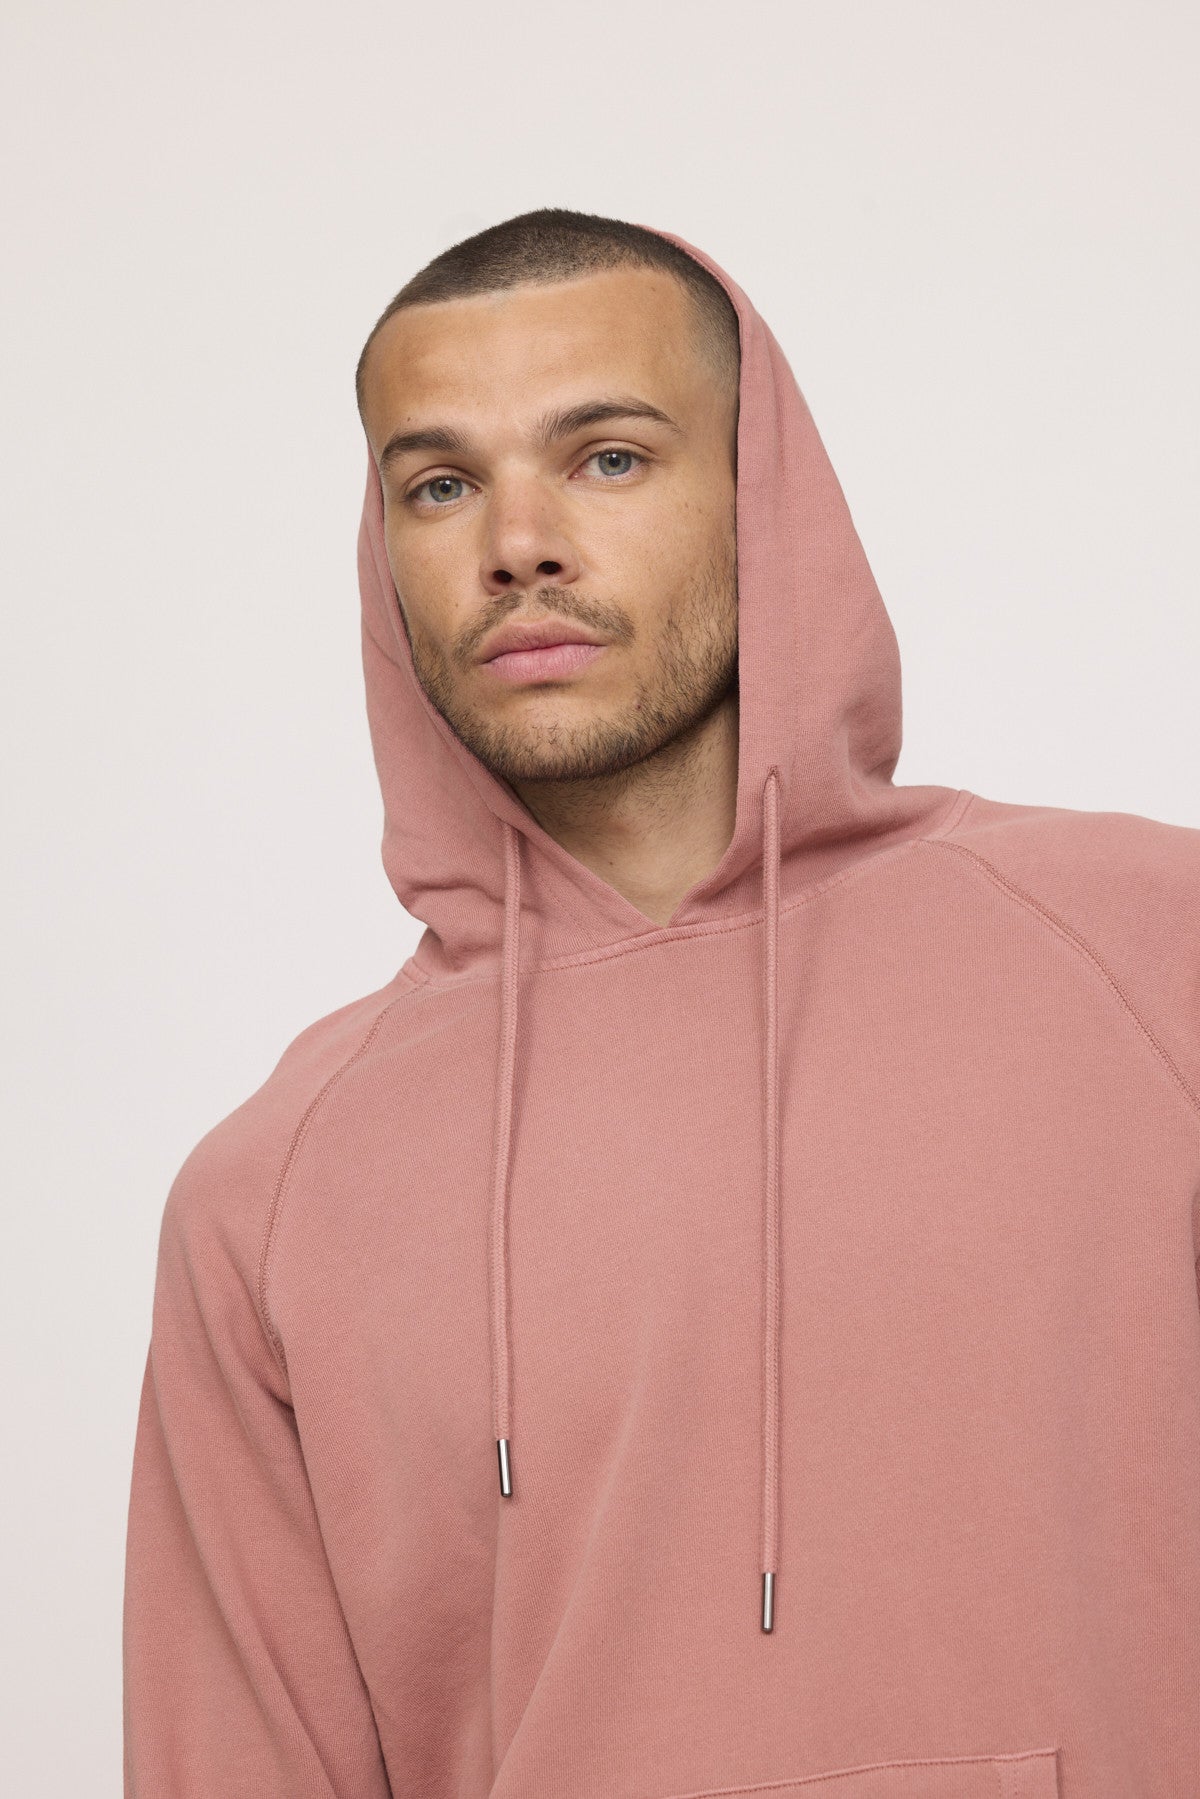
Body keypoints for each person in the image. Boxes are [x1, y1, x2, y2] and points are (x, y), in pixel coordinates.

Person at [122, 208, 1200, 1797]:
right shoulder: (272, 1198)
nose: (519, 543)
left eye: (609, 457)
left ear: (762, 492)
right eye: (440, 484)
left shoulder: (1152, 955)